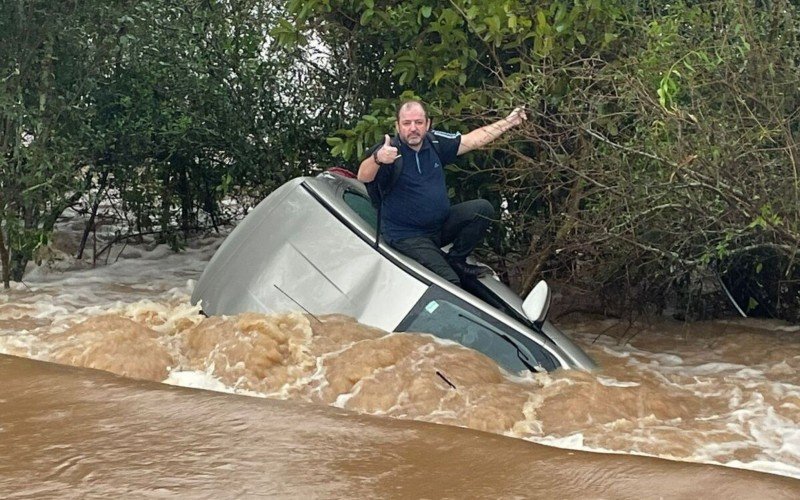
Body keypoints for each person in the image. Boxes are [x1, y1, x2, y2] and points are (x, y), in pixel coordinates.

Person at [358, 100, 527, 286]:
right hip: (407, 236)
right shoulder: (388, 150)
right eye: (406, 123)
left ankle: (457, 260)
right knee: (451, 283)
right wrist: (377, 159)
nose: (413, 128)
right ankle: (451, 274)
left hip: (438, 229)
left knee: (482, 208)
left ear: (428, 124)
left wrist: (510, 121)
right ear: (398, 126)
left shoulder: (434, 142)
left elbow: (471, 140)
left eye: (418, 122)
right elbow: (363, 176)